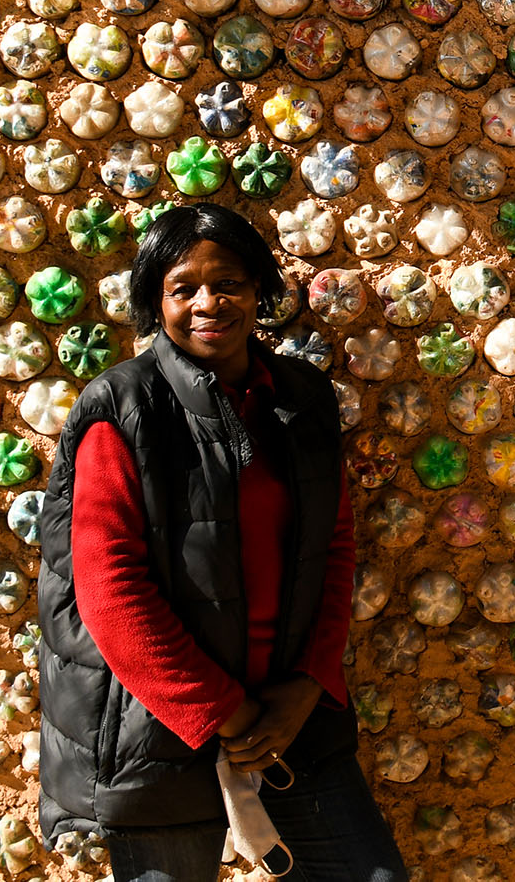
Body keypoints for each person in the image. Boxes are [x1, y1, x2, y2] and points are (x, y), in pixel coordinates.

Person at [38, 203, 407, 882]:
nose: (210, 302)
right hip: (158, 732)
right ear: (156, 300)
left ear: (260, 290)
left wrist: (308, 683)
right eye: (184, 287)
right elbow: (108, 589)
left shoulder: (300, 396)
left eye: (230, 282)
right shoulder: (124, 408)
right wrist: (221, 710)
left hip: (290, 720)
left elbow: (335, 544)